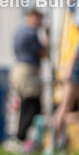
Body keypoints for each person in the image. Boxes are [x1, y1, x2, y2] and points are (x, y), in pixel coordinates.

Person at [10, 9, 47, 147]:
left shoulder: (20, 31)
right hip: (28, 71)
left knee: (26, 105)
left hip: (19, 69)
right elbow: (42, 52)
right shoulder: (30, 33)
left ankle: (20, 137)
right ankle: (20, 137)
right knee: (32, 106)